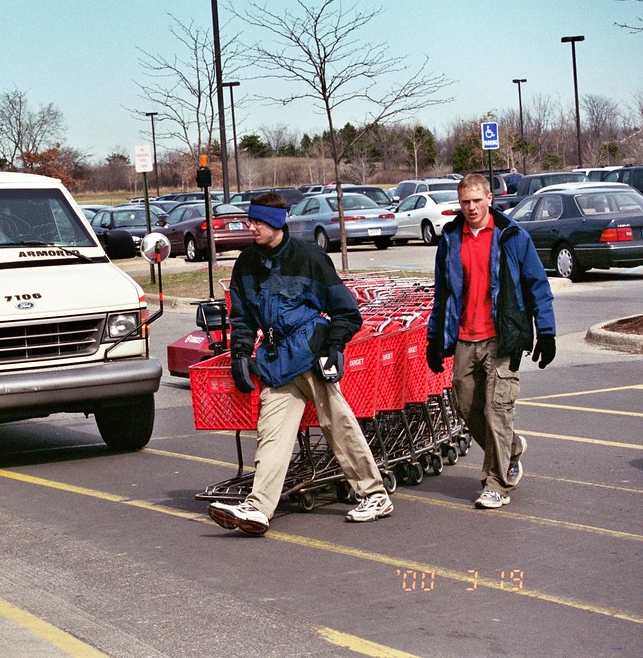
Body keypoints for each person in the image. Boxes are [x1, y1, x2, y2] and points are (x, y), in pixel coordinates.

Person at [207, 192, 393, 536]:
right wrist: (241, 354)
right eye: (251, 221)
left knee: (338, 423)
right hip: (276, 362)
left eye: (258, 222)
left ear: (277, 223)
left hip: (311, 352)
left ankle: (374, 493)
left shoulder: (309, 258)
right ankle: (259, 508)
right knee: (272, 435)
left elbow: (346, 312)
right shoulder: (246, 263)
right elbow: (243, 318)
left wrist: (334, 347)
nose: (252, 227)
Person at [426, 173, 555, 509]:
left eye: (477, 201)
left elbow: (537, 286)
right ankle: (510, 448)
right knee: (467, 407)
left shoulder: (512, 236)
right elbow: (443, 295)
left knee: (498, 410)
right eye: (465, 202)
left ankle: (496, 484)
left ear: (489, 199)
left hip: (503, 337)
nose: (471, 208)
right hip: (465, 338)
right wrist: (434, 340)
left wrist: (547, 332)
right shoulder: (451, 238)